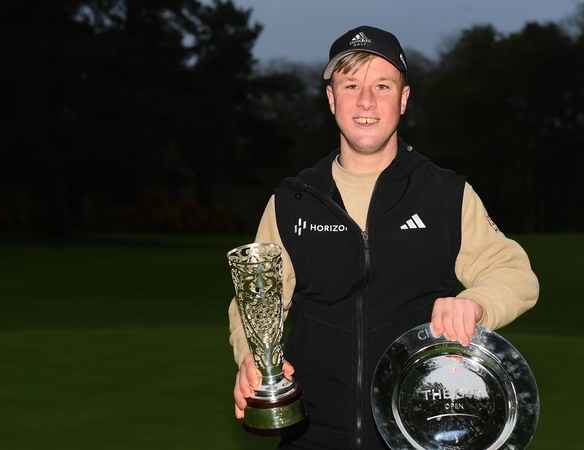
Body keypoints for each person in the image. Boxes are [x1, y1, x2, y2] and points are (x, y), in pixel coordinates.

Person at [229, 25, 539, 450]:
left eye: (382, 85)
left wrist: (476, 303)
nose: (366, 101)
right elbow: (255, 302)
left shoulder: (445, 194)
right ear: (332, 99)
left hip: (417, 435)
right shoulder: (292, 201)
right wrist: (250, 358)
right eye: (351, 85)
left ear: (404, 99)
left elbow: (514, 273)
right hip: (310, 436)